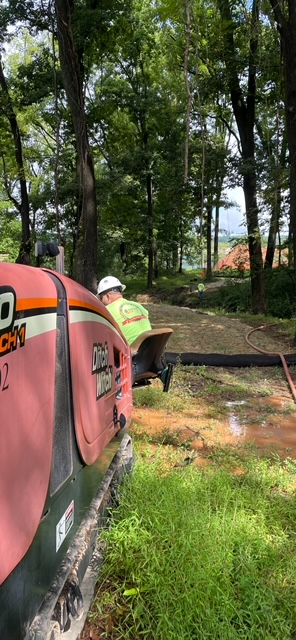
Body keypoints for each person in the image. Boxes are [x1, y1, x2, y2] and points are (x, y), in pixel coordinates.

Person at [97, 276, 152, 345]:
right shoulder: (138, 305)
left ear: (107, 296)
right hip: (151, 349)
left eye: (101, 298)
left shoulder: (107, 311)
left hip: (130, 352)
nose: (101, 302)